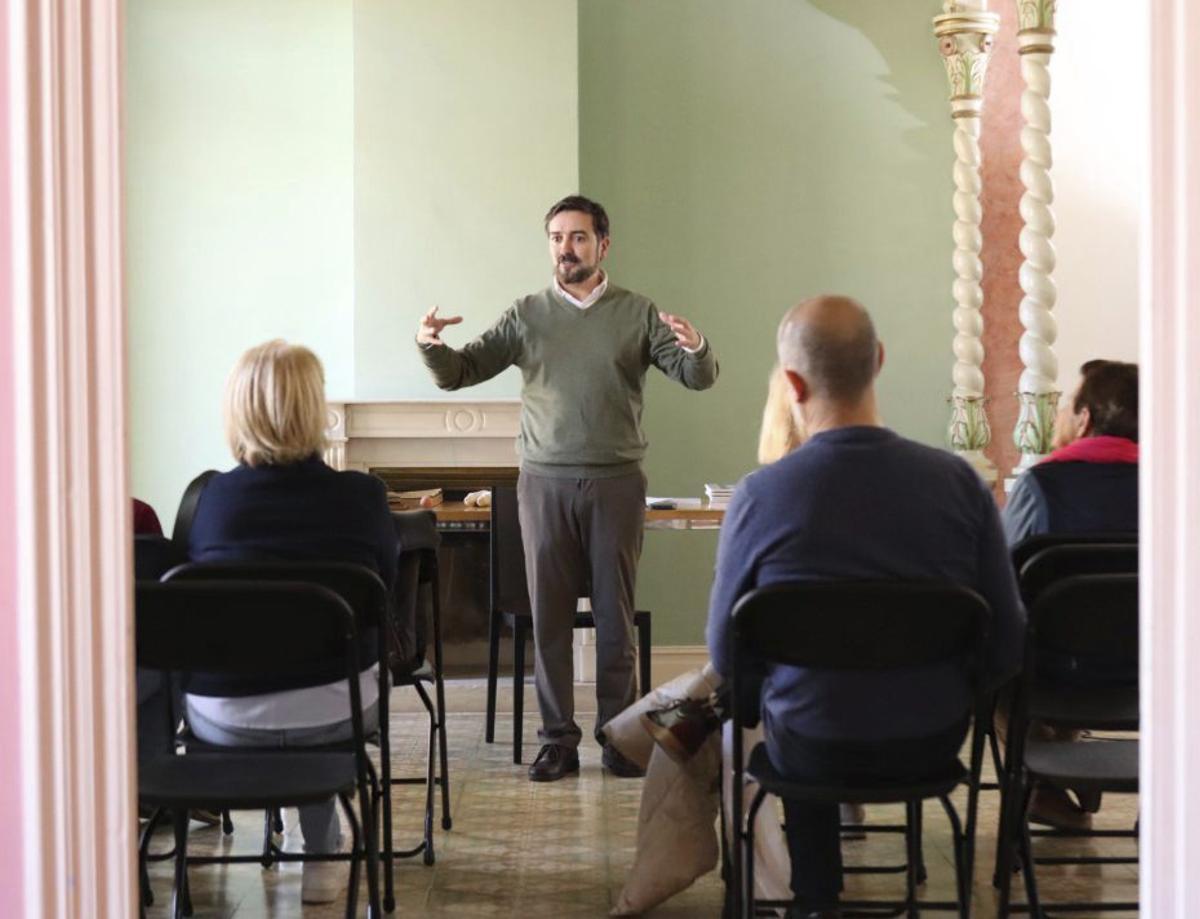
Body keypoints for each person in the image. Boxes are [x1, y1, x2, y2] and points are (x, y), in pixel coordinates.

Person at [705, 296, 1024, 919]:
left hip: (809, 746)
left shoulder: (761, 495)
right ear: (878, 361)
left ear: (791, 383)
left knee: (798, 709)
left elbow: (726, 652)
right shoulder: (959, 483)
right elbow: (1007, 640)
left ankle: (815, 898)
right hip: (931, 742)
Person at [417, 195, 719, 782]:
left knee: (615, 615)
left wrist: (696, 348)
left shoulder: (637, 313)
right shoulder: (526, 314)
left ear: (603, 246)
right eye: (557, 238)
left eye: (578, 238)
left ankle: (618, 738)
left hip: (617, 484)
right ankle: (556, 740)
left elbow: (695, 378)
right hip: (544, 484)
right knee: (549, 618)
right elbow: (461, 372)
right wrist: (431, 346)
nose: (566, 249)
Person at [184, 340, 398, 904]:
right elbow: (386, 604)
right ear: (314, 407)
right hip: (335, 715)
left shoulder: (212, 500)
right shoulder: (363, 497)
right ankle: (321, 854)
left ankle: (164, 812)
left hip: (222, 719)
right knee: (325, 672)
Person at [1000, 359, 1138, 830]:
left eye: (1063, 406)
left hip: (1055, 675)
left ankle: (1046, 785)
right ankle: (1074, 759)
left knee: (997, 661)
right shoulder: (1178, 487)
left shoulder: (1042, 486)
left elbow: (1002, 580)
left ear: (1084, 420)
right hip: (1156, 677)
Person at [1003, 359, 1138, 545]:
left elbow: (1000, 568)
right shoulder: (1166, 487)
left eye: (1068, 402)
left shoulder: (1038, 485)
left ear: (1084, 420)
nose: (1059, 413)